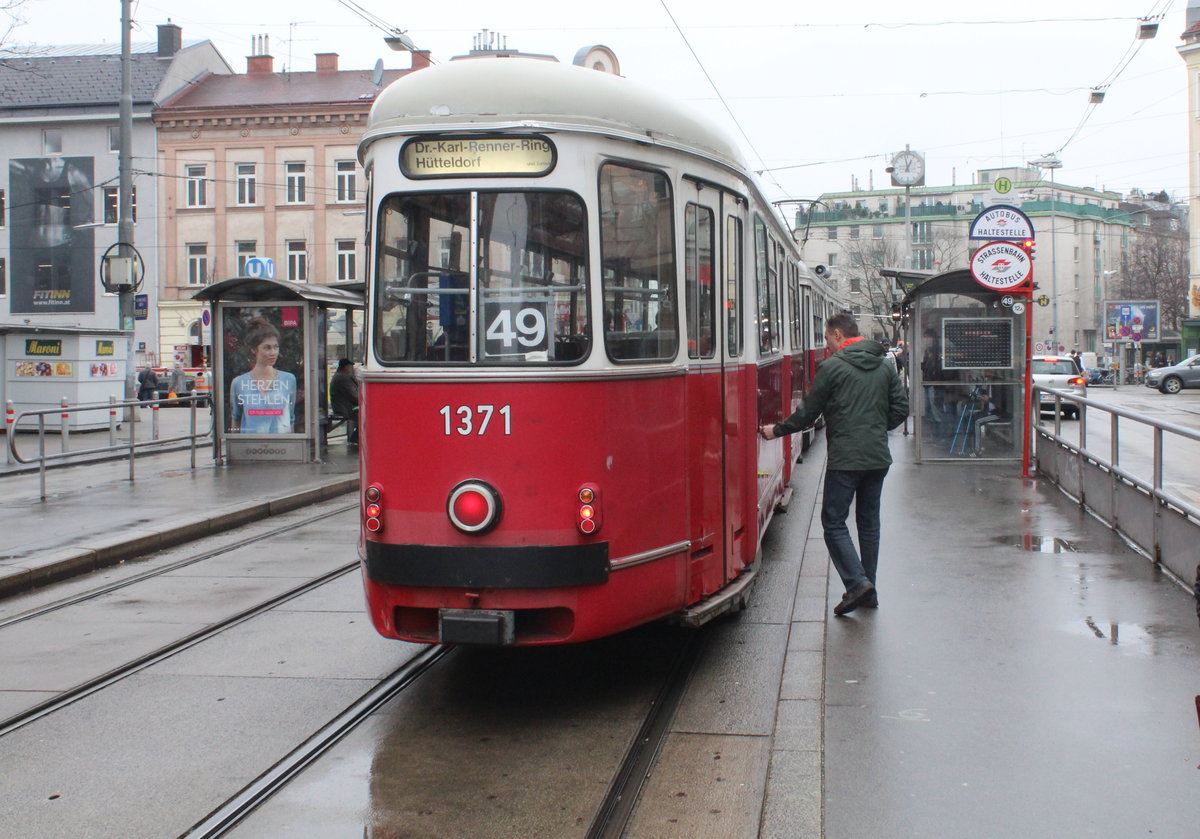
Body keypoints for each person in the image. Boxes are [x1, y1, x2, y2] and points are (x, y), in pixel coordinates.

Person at [760, 313, 908, 616]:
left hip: (845, 459)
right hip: (877, 458)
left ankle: (857, 583)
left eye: (827, 338)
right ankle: (869, 589)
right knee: (868, 522)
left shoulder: (832, 368)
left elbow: (807, 413)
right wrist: (878, 429)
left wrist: (776, 431)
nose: (826, 345)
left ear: (838, 334)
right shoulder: (883, 365)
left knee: (833, 522)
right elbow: (901, 408)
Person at [229, 317, 296, 434]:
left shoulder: (288, 379)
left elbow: (290, 419)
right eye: (267, 347)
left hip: (282, 448)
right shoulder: (239, 383)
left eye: (276, 347)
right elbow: (236, 419)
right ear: (254, 349)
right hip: (250, 448)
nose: (273, 353)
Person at [329, 358, 360, 445]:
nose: (351, 369)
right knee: (365, 415)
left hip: (344, 406)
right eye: (350, 366)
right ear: (345, 367)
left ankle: (356, 436)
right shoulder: (342, 378)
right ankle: (356, 437)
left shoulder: (342, 376)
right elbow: (354, 396)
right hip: (344, 408)